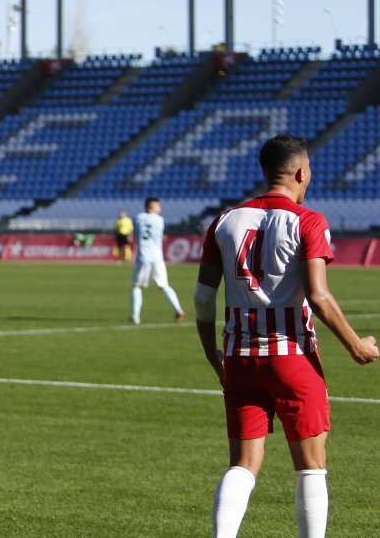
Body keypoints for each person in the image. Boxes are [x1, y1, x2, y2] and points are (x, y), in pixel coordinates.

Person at [195, 135, 378, 537]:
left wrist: (214, 355)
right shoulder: (308, 220)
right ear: (300, 172)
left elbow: (203, 299)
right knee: (311, 465)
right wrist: (356, 345)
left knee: (243, 464)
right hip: (292, 357)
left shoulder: (224, 221)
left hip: (240, 356)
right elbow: (319, 294)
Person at [128, 198, 186, 325]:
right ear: (152, 207)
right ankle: (178, 309)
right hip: (157, 258)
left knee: (137, 286)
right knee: (164, 285)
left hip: (143, 256)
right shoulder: (160, 220)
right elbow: (161, 236)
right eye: (158, 206)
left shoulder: (137, 218)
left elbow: (135, 234)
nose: (160, 209)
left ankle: (135, 316)